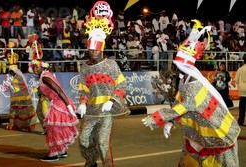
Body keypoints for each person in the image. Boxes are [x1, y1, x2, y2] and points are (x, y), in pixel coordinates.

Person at [142, 20, 240, 167]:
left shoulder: (195, 83)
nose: (174, 68)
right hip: (197, 131)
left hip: (214, 131)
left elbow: (187, 104)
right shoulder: (184, 80)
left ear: (183, 66)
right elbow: (178, 101)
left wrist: (161, 116)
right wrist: (171, 121)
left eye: (176, 65)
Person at [77, 2, 130, 167]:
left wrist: (112, 100)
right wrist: (82, 103)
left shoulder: (111, 65)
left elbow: (122, 85)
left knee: (102, 142)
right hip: (91, 111)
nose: (93, 52)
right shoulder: (85, 67)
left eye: (96, 50)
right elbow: (84, 88)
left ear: (102, 48)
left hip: (106, 111)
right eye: (91, 50)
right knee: (83, 139)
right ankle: (91, 162)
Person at [6, 41, 37, 131]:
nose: (10, 73)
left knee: (23, 112)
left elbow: (18, 88)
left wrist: (12, 87)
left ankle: (24, 125)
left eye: (11, 72)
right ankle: (16, 125)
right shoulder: (14, 77)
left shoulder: (18, 77)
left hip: (22, 99)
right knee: (16, 111)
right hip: (16, 99)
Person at [235, 55, 246, 126]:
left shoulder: (240, 69)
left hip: (242, 90)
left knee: (242, 106)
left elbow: (236, 80)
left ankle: (241, 121)